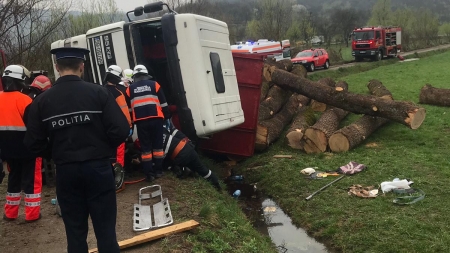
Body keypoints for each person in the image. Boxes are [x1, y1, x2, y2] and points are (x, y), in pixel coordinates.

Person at [24, 47, 129, 253]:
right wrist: (102, 148)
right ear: (82, 66)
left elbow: (32, 143)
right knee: (107, 234)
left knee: (75, 234)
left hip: (66, 170)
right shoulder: (99, 93)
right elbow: (121, 130)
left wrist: (55, 152)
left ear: (57, 67)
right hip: (99, 168)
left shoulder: (42, 101)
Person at [0, 65, 42, 222]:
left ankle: (10, 213)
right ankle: (32, 214)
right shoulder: (25, 100)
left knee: (13, 179)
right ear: (22, 80)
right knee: (32, 181)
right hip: (28, 149)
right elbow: (34, 128)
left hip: (7, 151)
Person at [126, 64, 170, 182]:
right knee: (157, 146)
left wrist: (131, 123)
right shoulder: (155, 85)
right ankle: (159, 171)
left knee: (145, 148)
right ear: (146, 74)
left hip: (141, 122)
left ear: (135, 76)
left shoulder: (129, 89)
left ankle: (148, 174)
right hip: (156, 119)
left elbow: (129, 109)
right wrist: (167, 117)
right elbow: (164, 104)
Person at [103, 65, 132, 168]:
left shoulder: (102, 91)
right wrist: (129, 126)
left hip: (106, 128)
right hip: (118, 128)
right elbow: (124, 112)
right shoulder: (118, 93)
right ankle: (119, 176)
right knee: (119, 154)